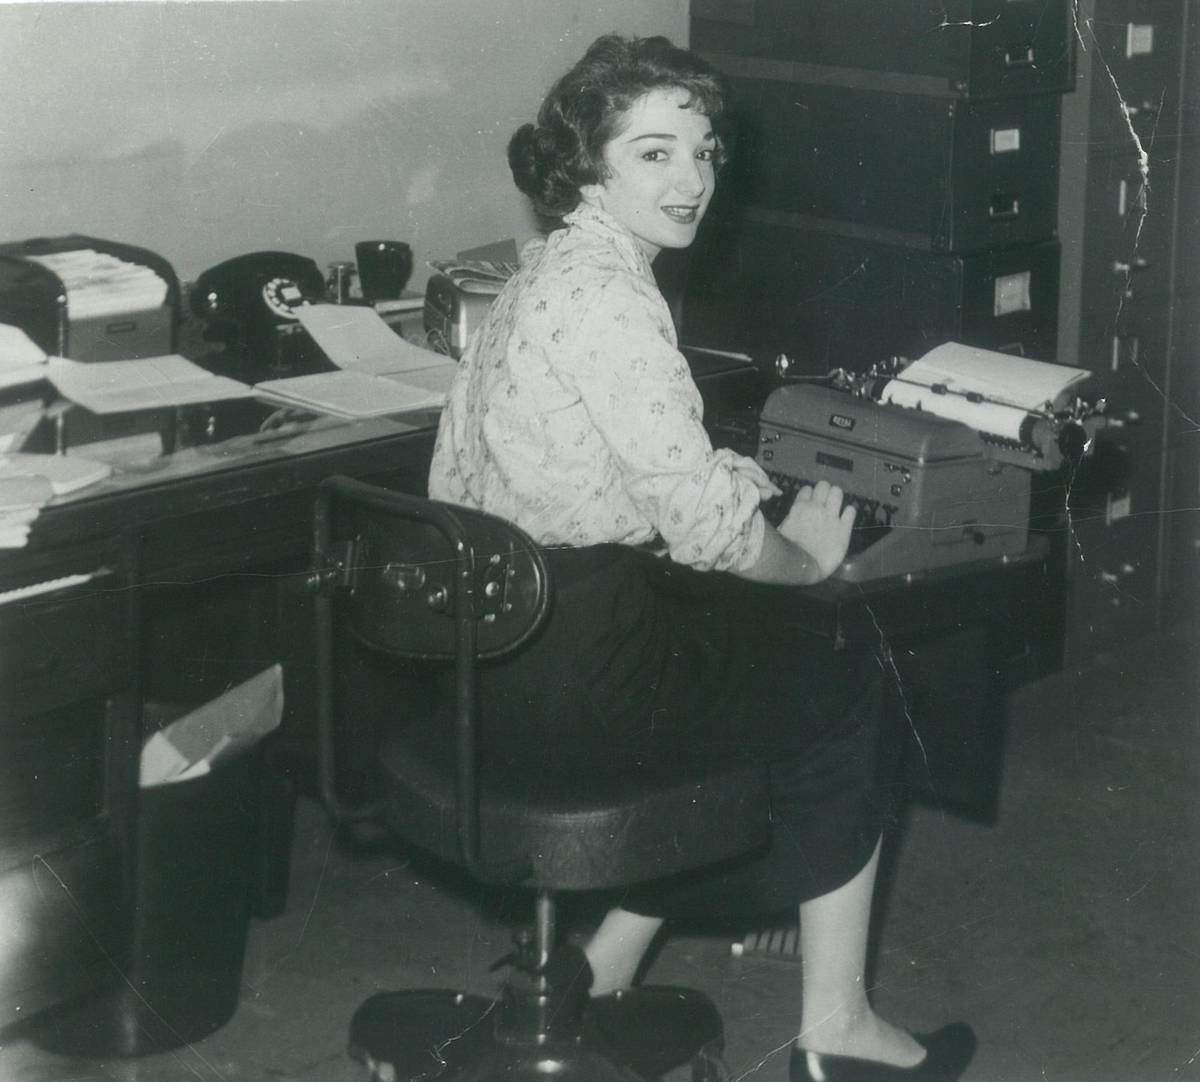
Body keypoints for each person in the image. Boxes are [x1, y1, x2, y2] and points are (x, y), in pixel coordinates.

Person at [428, 33, 975, 1082]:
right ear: (587, 165)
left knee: (741, 661)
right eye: (653, 153)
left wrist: (727, 483)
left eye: (705, 150)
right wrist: (805, 557)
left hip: (494, 654)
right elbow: (711, 533)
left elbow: (556, 470)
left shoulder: (537, 274)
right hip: (583, 670)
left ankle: (607, 961)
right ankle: (838, 1024)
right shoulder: (618, 301)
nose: (693, 180)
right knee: (843, 664)